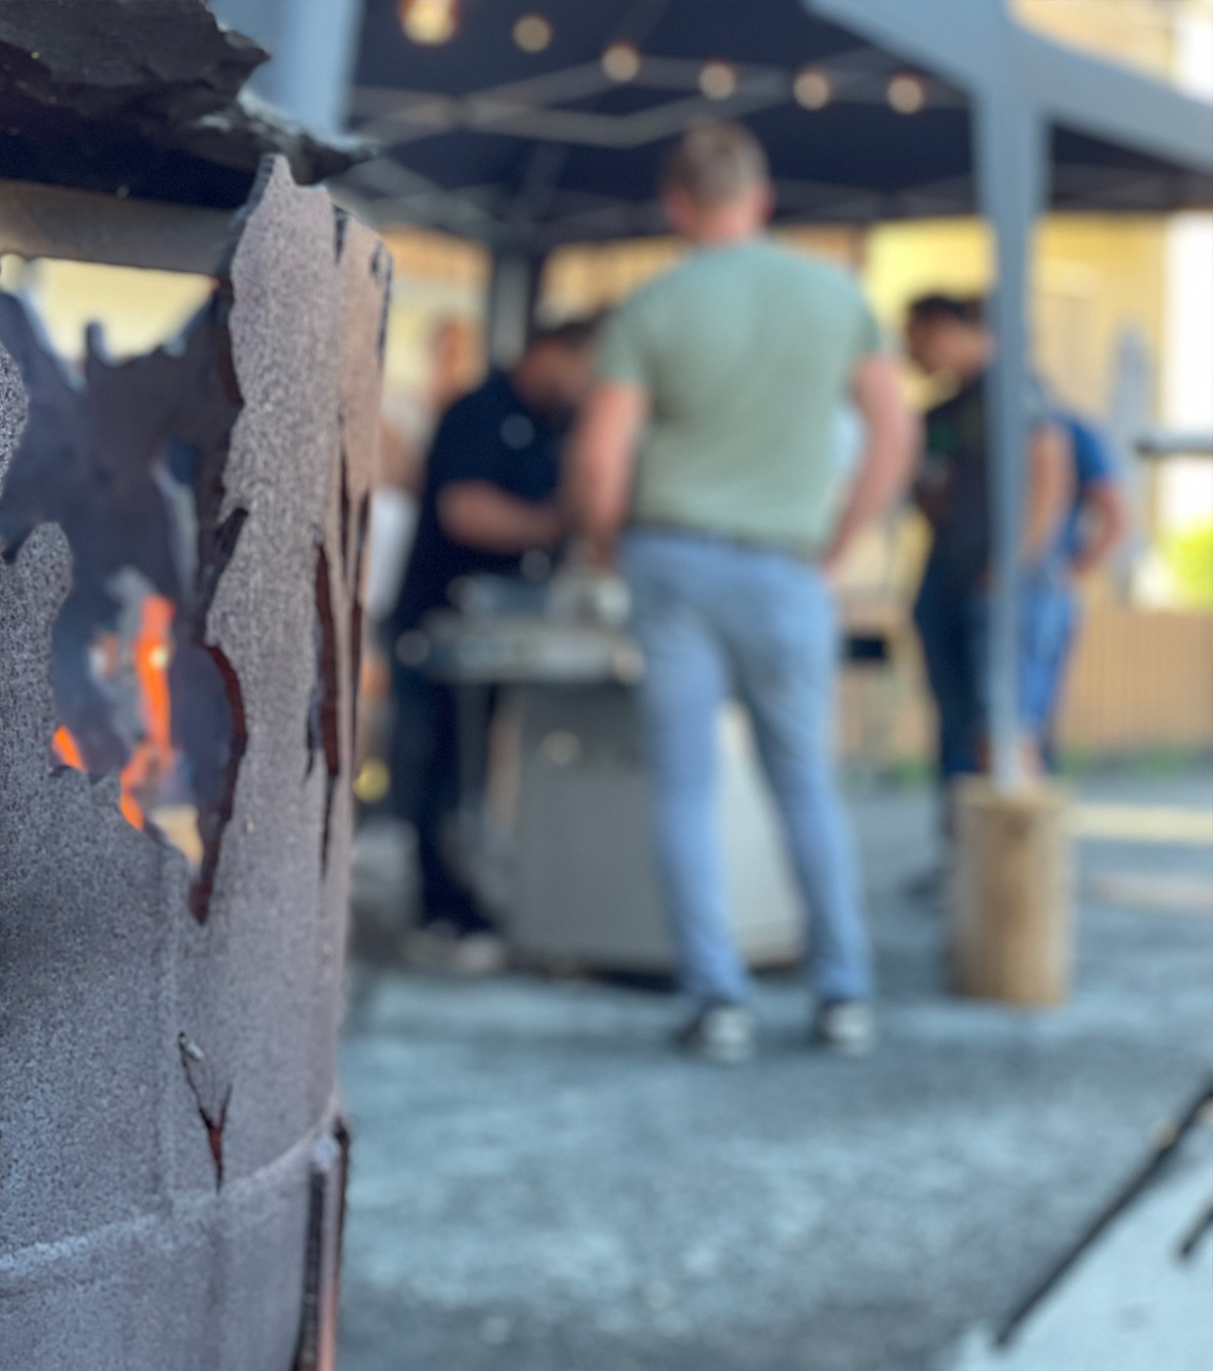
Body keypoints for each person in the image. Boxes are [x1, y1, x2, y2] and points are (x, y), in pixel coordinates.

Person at [568, 121, 915, 1062]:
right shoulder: (837, 297)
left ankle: (717, 1002)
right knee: (806, 783)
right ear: (760, 198)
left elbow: (599, 460)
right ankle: (844, 995)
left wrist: (609, 550)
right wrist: (836, 546)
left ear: (675, 205)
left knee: (685, 788)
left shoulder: (651, 307)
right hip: (788, 565)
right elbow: (895, 437)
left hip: (673, 560)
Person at [387, 317, 596, 947]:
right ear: (551, 350)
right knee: (438, 766)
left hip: (504, 628)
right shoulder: (478, 411)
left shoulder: (557, 424)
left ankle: (477, 894)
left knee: (478, 768)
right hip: (440, 622)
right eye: (585, 367)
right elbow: (466, 511)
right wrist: (556, 524)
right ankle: (440, 909)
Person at [902, 295, 1073, 797]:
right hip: (950, 579)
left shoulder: (1013, 392)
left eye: (916, 337)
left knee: (1005, 730)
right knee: (959, 731)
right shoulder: (942, 410)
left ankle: (1014, 846)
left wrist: (1016, 565)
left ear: (944, 328)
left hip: (1002, 586)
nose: (908, 351)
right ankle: (966, 845)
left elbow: (1050, 473)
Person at [1030, 406, 1129, 767]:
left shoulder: (1065, 427)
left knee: (1024, 727)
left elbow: (1116, 515)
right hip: (969, 587)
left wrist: (1068, 572)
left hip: (1039, 592)